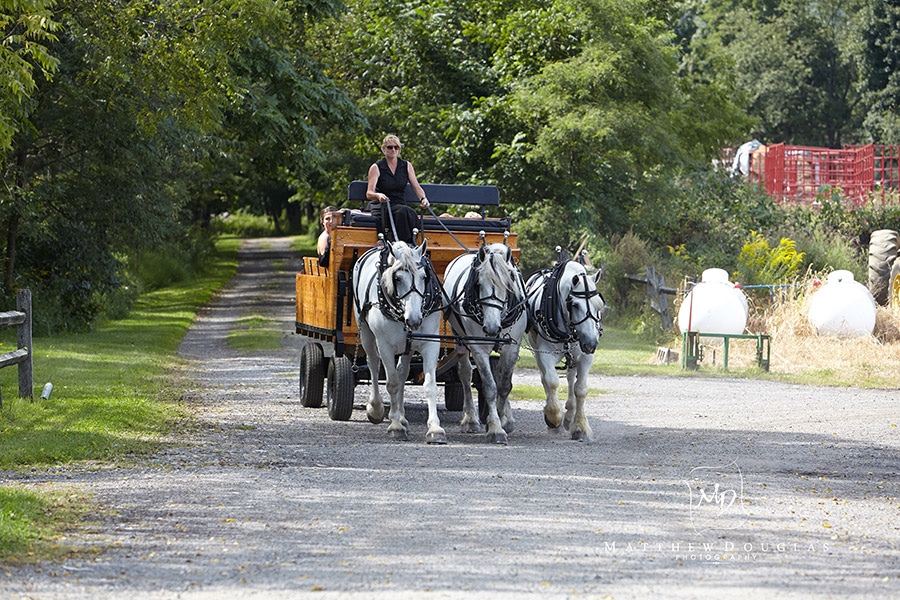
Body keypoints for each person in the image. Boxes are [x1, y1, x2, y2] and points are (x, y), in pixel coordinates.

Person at [366, 134, 429, 243]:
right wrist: (378, 195)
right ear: (384, 148)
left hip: (399, 204)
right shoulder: (376, 167)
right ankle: (401, 243)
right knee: (403, 212)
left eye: (396, 147)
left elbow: (416, 187)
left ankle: (410, 242)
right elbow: (369, 193)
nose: (393, 150)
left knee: (409, 212)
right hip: (383, 205)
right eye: (390, 147)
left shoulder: (406, 166)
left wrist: (423, 199)